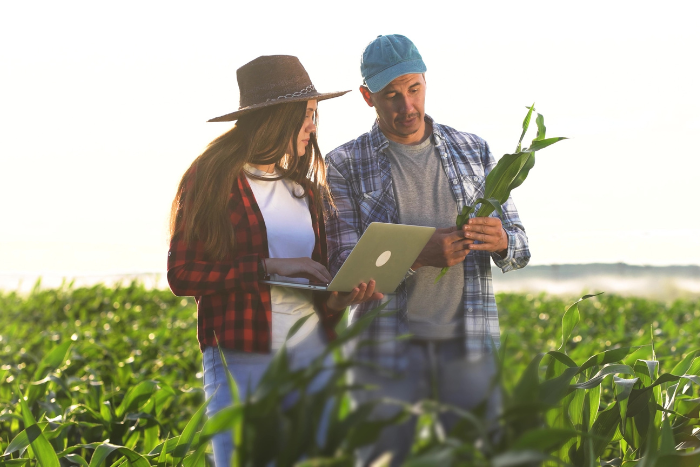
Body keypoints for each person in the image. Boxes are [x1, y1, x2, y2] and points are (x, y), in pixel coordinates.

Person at [323, 35, 531, 465]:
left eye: (413, 89)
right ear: (368, 97)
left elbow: (521, 244)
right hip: (383, 350)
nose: (406, 107)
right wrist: (419, 254)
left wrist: (503, 241)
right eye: (391, 96)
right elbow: (343, 267)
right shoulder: (344, 164)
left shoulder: (474, 150)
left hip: (469, 346)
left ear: (424, 82)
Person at [166, 55, 382, 467]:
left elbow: (316, 293)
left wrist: (338, 301)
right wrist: (268, 266)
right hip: (243, 358)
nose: (314, 127)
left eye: (315, 115)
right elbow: (182, 274)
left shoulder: (305, 190)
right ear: (278, 117)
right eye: (307, 115)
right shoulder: (211, 177)